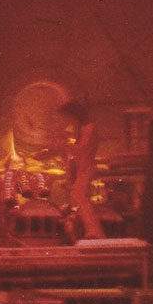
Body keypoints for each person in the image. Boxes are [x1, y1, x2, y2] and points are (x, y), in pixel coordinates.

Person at [58, 100, 104, 240]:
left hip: (86, 169)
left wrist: (65, 145)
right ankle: (89, 230)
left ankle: (94, 231)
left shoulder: (89, 129)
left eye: (68, 117)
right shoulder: (83, 130)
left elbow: (82, 149)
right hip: (81, 169)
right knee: (78, 198)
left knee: (81, 198)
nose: (67, 122)